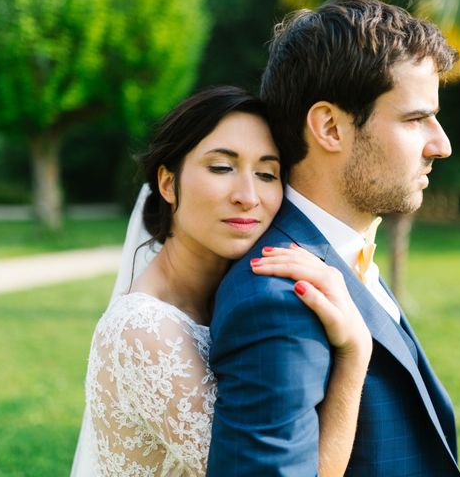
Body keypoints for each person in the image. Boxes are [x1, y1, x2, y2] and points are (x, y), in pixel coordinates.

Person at [207, 0, 460, 476]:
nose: (441, 144)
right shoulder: (277, 299)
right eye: (414, 119)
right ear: (329, 127)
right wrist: (355, 355)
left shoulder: (346, 252)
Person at [70, 86, 372, 476]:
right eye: (221, 167)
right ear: (167, 183)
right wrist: (355, 351)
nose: (248, 196)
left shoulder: (239, 297)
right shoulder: (141, 332)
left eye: (267, 173)